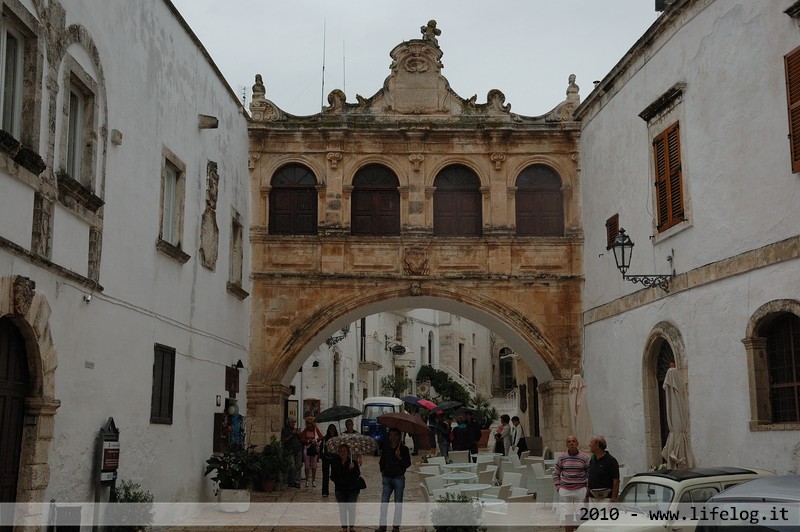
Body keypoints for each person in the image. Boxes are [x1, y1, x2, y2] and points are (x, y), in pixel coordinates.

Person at [376, 427, 411, 532]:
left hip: (398, 478)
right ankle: (382, 526)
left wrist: (400, 457)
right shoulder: (386, 447)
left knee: (398, 503)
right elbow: (382, 461)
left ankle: (396, 527)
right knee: (384, 502)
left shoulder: (404, 449)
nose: (393, 437)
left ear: (399, 436)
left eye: (395, 435)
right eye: (391, 435)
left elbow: (407, 464)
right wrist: (382, 471)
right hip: (387, 478)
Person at [553, 435, 590, 532]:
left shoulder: (584, 458)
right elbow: (556, 474)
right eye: (569, 441)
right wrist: (558, 488)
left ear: (577, 443)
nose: (571, 443)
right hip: (565, 490)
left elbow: (590, 475)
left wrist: (587, 488)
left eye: (573, 441)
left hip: (580, 490)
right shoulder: (562, 457)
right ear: (566, 444)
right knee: (567, 517)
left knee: (580, 517)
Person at [330, 443, 362, 532]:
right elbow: (332, 476)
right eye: (340, 451)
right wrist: (338, 480)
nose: (342, 453)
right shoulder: (335, 462)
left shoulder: (353, 462)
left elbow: (357, 475)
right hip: (340, 489)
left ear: (348, 452)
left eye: (344, 451)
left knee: (351, 508)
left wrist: (352, 469)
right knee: (342, 508)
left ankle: (351, 527)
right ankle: (344, 527)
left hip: (352, 489)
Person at [585, 435, 620, 505]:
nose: (589, 445)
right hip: (593, 499)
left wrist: (613, 500)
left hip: (605, 499)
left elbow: (616, 482)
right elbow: (590, 478)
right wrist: (587, 496)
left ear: (597, 445)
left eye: (591, 443)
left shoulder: (611, 461)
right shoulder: (592, 459)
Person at [301, 416, 323, 488]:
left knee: (314, 465)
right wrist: (308, 441)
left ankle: (313, 480)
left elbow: (321, 437)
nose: (308, 424)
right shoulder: (305, 430)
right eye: (307, 423)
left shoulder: (316, 430)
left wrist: (315, 440)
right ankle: (307, 480)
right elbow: (302, 439)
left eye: (309, 423)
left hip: (313, 448)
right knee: (307, 465)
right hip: (307, 448)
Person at [280, 417, 302, 488]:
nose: (293, 424)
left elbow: (302, 439)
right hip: (289, 450)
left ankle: (297, 482)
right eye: (292, 422)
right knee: (292, 467)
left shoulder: (296, 430)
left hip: (297, 450)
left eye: (294, 422)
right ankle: (291, 481)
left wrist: (299, 434)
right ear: (288, 423)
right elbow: (283, 441)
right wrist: (291, 435)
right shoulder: (285, 430)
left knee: (298, 465)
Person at [321, 423, 339, 497]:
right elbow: (321, 449)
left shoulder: (337, 439)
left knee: (335, 475)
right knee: (325, 475)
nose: (332, 431)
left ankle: (337, 490)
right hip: (326, 459)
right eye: (330, 429)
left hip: (335, 459)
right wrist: (322, 457)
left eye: (333, 430)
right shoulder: (325, 438)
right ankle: (325, 491)